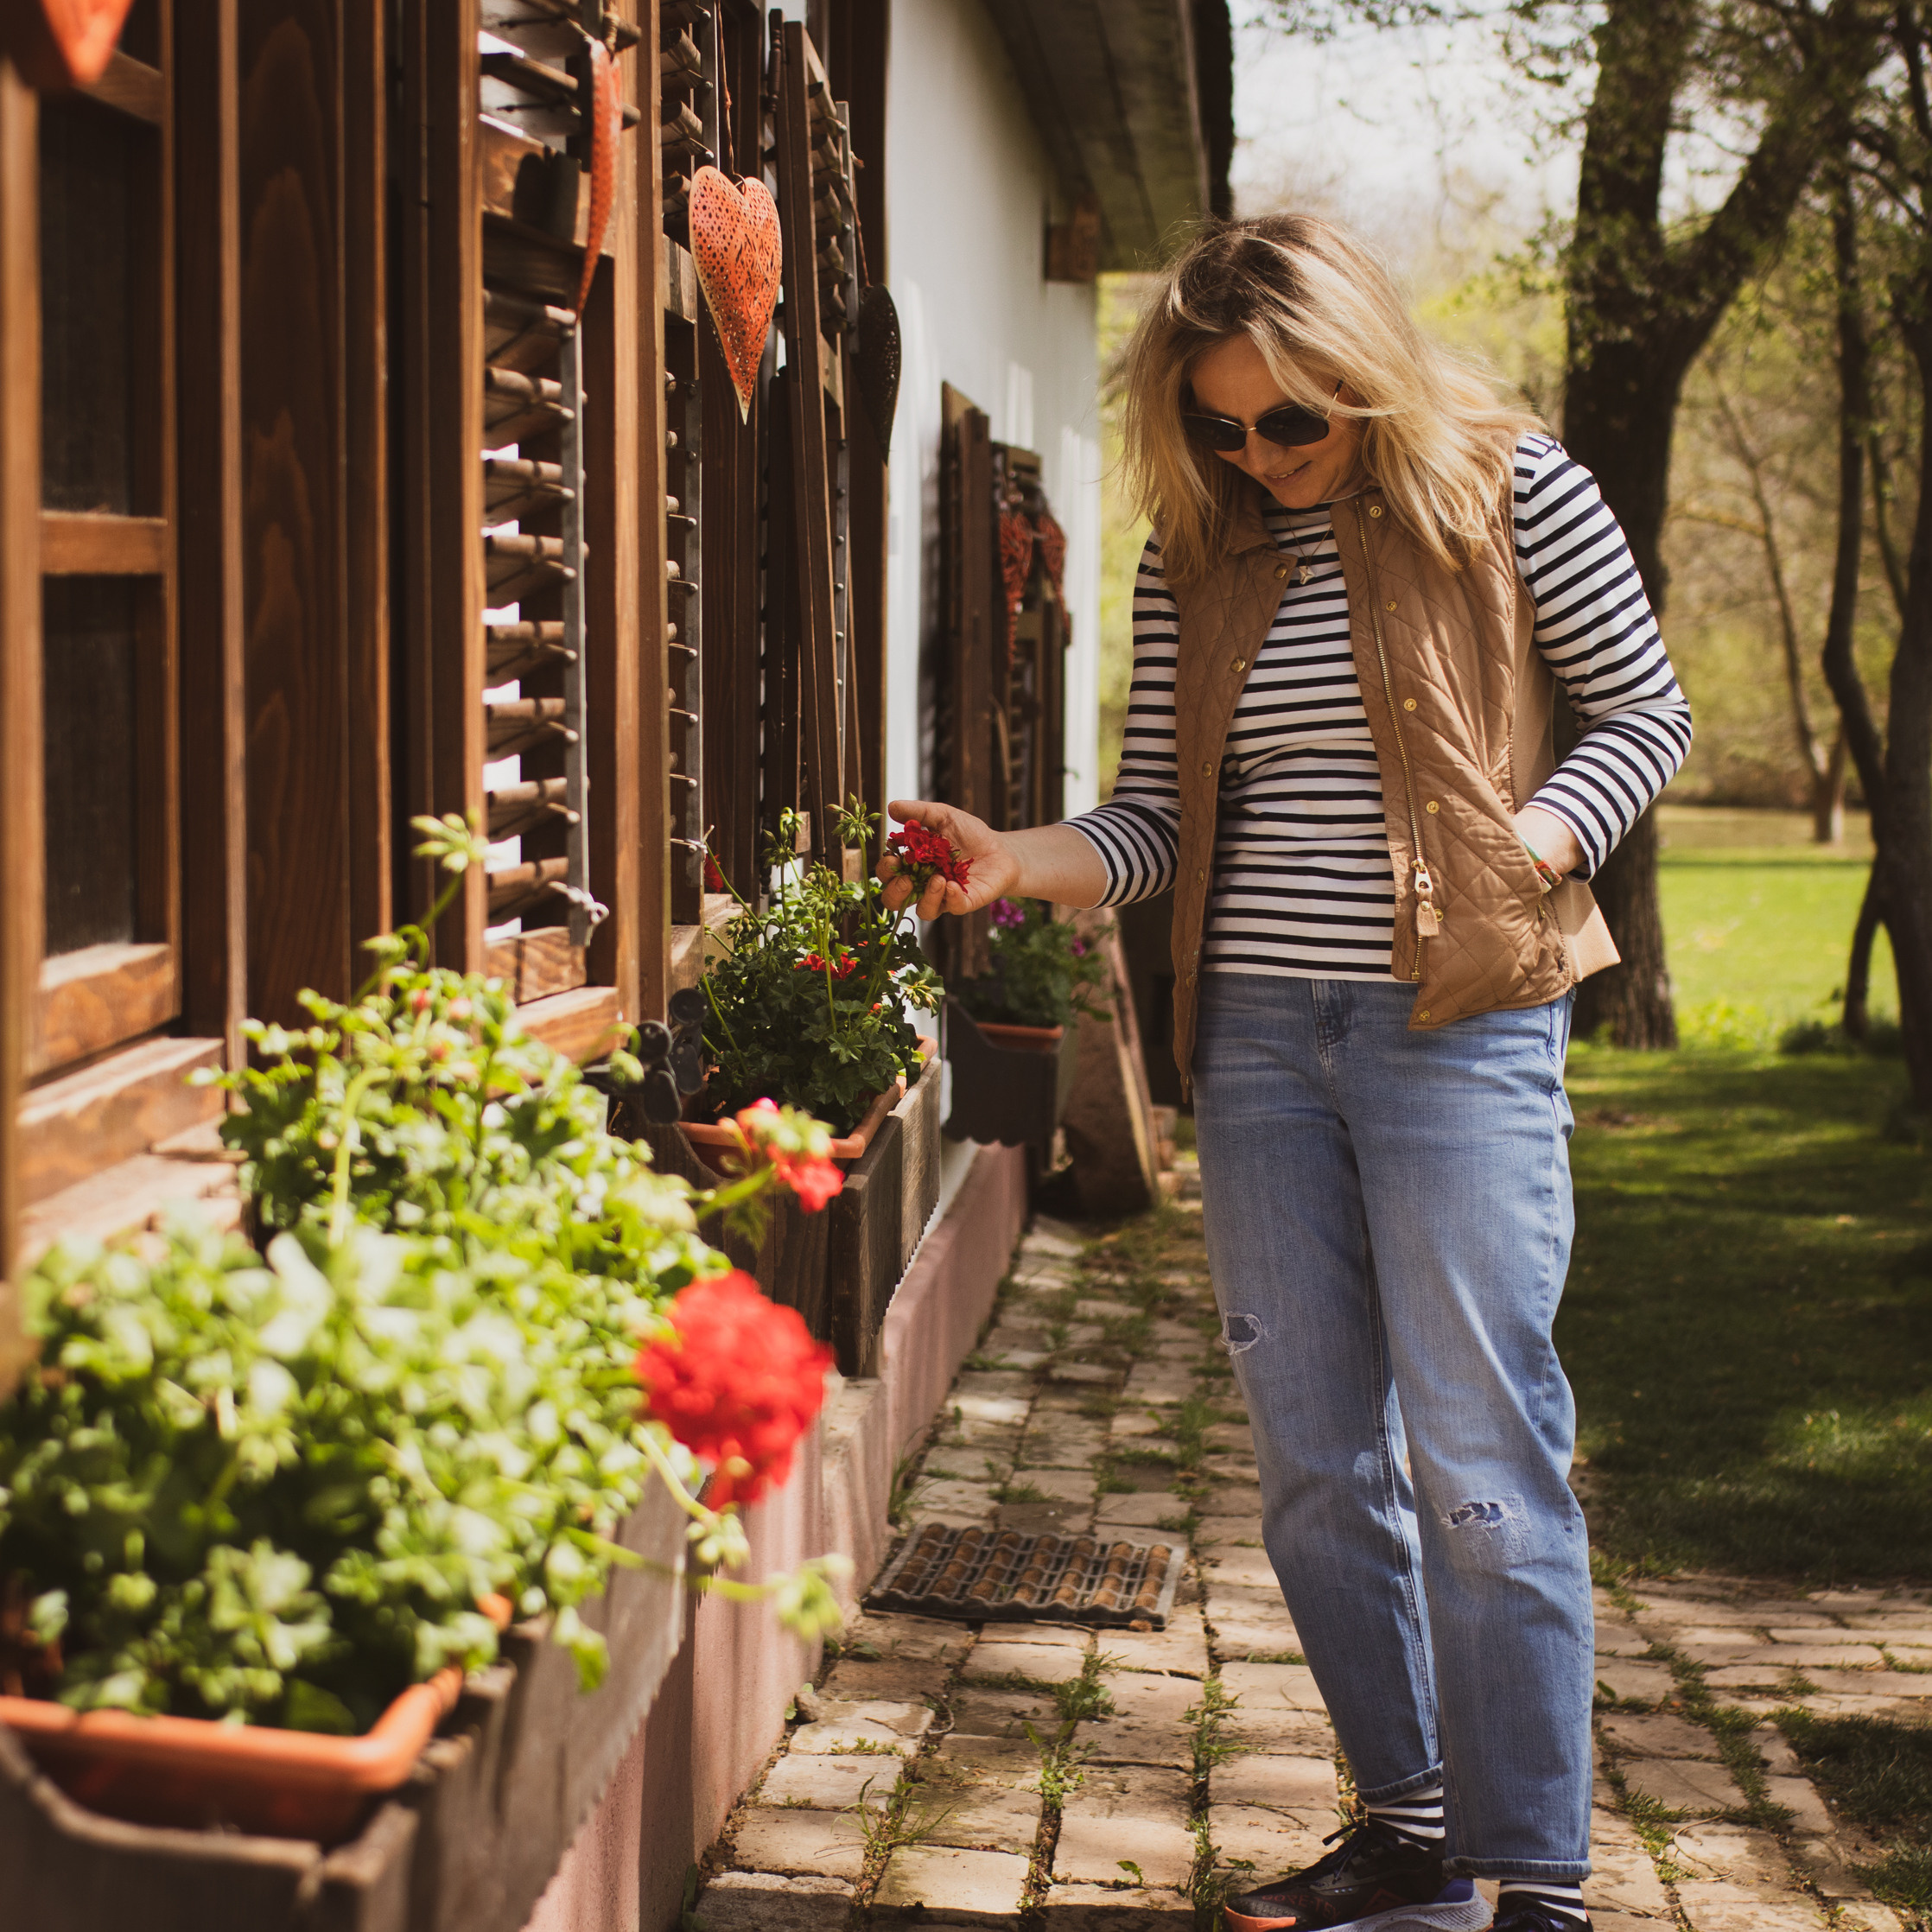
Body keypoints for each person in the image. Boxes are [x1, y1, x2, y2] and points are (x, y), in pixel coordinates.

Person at [881, 213, 1691, 1932]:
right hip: (1254, 1038)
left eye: (1289, 420)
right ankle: (1413, 1835)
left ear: (1362, 375)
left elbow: (1645, 716)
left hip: (1457, 1023)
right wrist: (1015, 858)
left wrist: (1534, 841)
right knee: (1317, 1464)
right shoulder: (1203, 547)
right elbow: (1157, 821)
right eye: (1220, 425)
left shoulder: (1511, 491)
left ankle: (1534, 1882)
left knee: (1480, 1457)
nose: (1256, 452)